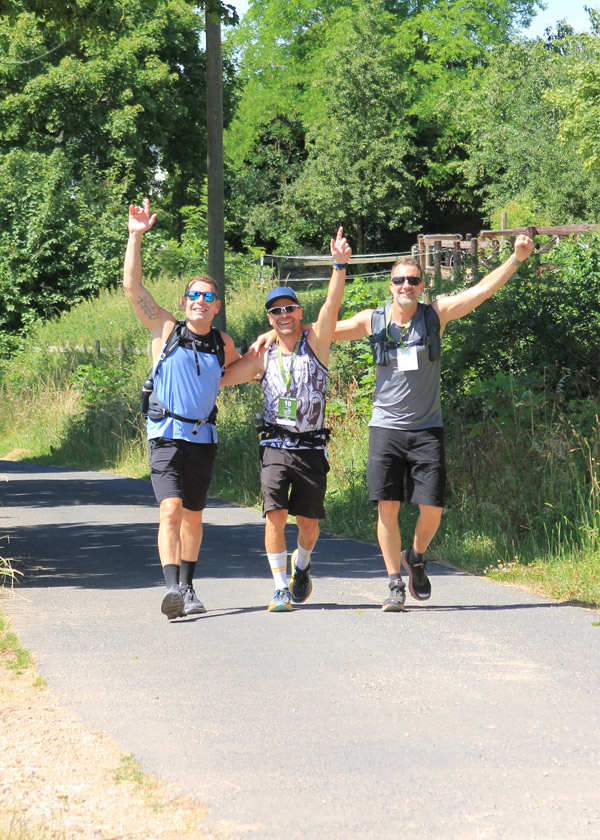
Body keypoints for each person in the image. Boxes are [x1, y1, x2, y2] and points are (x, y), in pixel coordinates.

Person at [332, 234, 535, 611]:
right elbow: (322, 329)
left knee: (433, 508)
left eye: (412, 280)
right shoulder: (372, 321)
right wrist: (274, 332)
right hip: (386, 429)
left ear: (422, 286)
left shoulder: (435, 314)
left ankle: (416, 555)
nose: (405, 286)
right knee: (387, 507)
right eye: (399, 280)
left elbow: (480, 291)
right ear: (389, 286)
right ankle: (394, 582)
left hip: (427, 429)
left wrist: (516, 258)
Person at [220, 227, 352, 611]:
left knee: (308, 525)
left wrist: (339, 266)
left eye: (289, 309)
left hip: (311, 446)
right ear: (269, 317)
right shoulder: (262, 355)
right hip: (275, 443)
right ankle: (280, 588)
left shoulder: (318, 344)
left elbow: (331, 307)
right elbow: (224, 376)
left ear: (299, 312)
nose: (283, 315)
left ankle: (303, 565)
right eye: (275, 311)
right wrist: (220, 346)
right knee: (274, 515)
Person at [123, 199, 240, 620]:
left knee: (193, 515)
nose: (199, 301)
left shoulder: (221, 343)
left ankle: (188, 587)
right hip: (165, 435)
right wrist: (135, 235)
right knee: (170, 509)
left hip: (203, 438)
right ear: (185, 300)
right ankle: (171, 588)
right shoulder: (165, 329)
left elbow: (244, 370)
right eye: (194, 295)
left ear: (216, 306)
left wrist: (268, 345)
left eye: (207, 297)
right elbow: (133, 288)